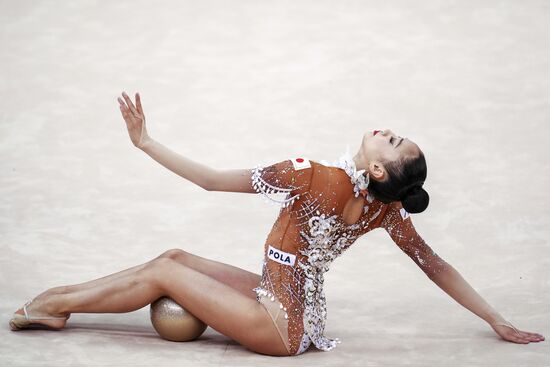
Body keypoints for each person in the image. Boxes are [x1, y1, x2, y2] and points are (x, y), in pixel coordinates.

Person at [9, 92, 545, 356]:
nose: (387, 131)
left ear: (379, 168)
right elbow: (436, 265)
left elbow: (213, 181)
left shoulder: (311, 176)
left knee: (165, 274)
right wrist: (495, 319)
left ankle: (50, 305)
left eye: (394, 140)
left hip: (281, 326)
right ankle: (57, 306)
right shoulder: (385, 208)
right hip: (288, 303)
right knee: (172, 259)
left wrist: (146, 143)